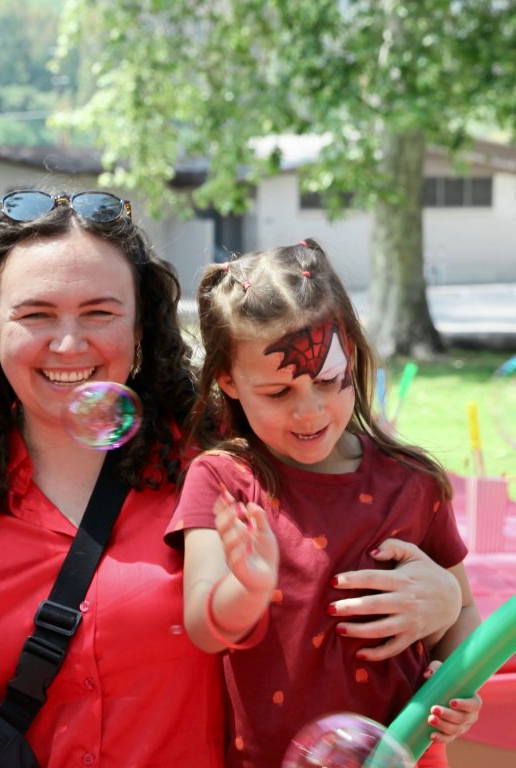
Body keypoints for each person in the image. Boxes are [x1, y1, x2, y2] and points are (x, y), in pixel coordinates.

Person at [0, 192, 464, 768]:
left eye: (99, 312)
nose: (68, 341)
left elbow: (346, 551)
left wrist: (442, 603)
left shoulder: (229, 466)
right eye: (35, 314)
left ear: (140, 328)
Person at [167, 239, 482, 768]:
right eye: (278, 392)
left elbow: (463, 612)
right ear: (228, 381)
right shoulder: (222, 480)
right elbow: (203, 625)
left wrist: (460, 688)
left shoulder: (413, 482)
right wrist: (248, 586)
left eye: (329, 381)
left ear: (351, 357)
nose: (309, 411)